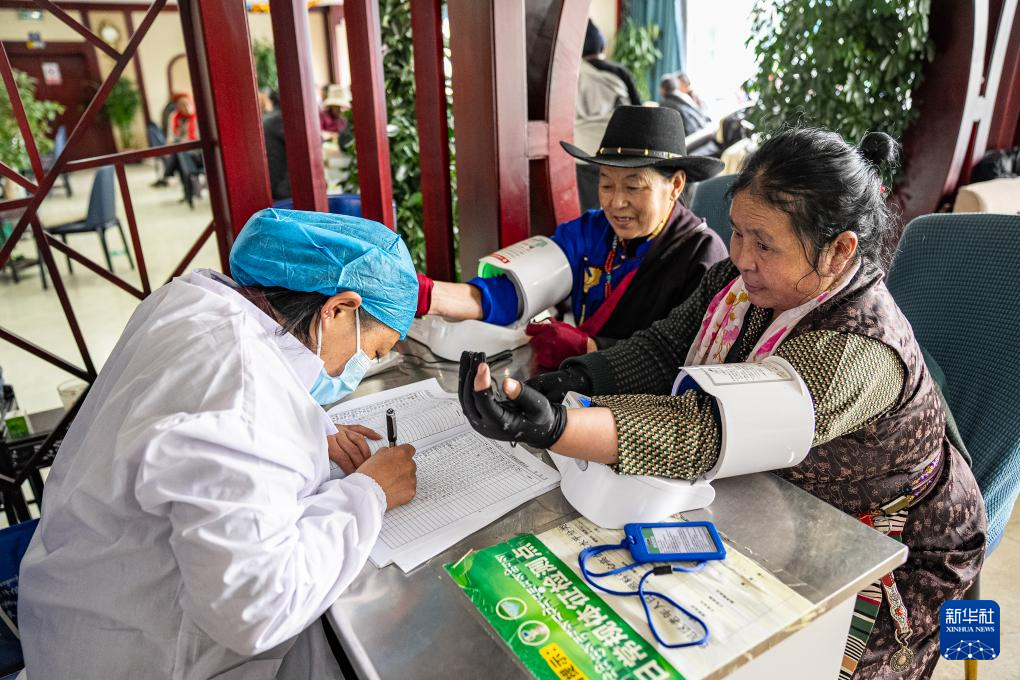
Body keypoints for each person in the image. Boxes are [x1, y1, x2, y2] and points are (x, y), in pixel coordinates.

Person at [458, 129, 986, 679]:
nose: (740, 257)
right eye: (737, 232)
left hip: (896, 540)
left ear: (839, 251)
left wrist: (558, 428)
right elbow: (666, 348)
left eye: (765, 244)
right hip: (780, 497)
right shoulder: (741, 283)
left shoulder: (857, 351)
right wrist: (571, 380)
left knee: (796, 662)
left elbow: (709, 427)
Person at [18, 209, 421, 680]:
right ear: (337, 310)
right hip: (139, 658)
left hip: (73, 616)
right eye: (372, 352)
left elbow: (186, 420)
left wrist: (307, 431)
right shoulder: (241, 395)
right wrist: (370, 493)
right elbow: (257, 609)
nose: (359, 369)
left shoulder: (192, 301)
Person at [416, 105, 727, 369]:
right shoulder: (592, 231)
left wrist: (591, 348)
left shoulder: (702, 254)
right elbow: (509, 293)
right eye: (606, 185)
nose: (616, 202)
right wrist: (425, 295)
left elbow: (689, 357)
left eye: (633, 187)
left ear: (675, 185)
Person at [574, 20, 643, 210]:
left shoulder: (573, 75)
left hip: (583, 153)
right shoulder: (619, 72)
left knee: (591, 207)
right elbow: (638, 112)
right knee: (620, 204)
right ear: (602, 46)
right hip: (618, 151)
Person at [658, 73, 711, 137]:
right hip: (701, 131)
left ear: (663, 89)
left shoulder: (665, 104)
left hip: (690, 137)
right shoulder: (684, 96)